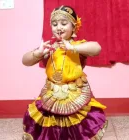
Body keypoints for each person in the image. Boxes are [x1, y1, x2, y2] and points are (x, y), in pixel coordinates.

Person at [22, 5, 107, 140]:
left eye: (64, 23)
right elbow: (25, 61)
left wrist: (73, 47)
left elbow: (97, 48)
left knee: (78, 126)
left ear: (73, 27)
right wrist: (37, 54)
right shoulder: (48, 47)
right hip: (52, 92)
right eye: (54, 24)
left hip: (75, 92)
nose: (59, 27)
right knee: (50, 126)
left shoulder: (79, 46)